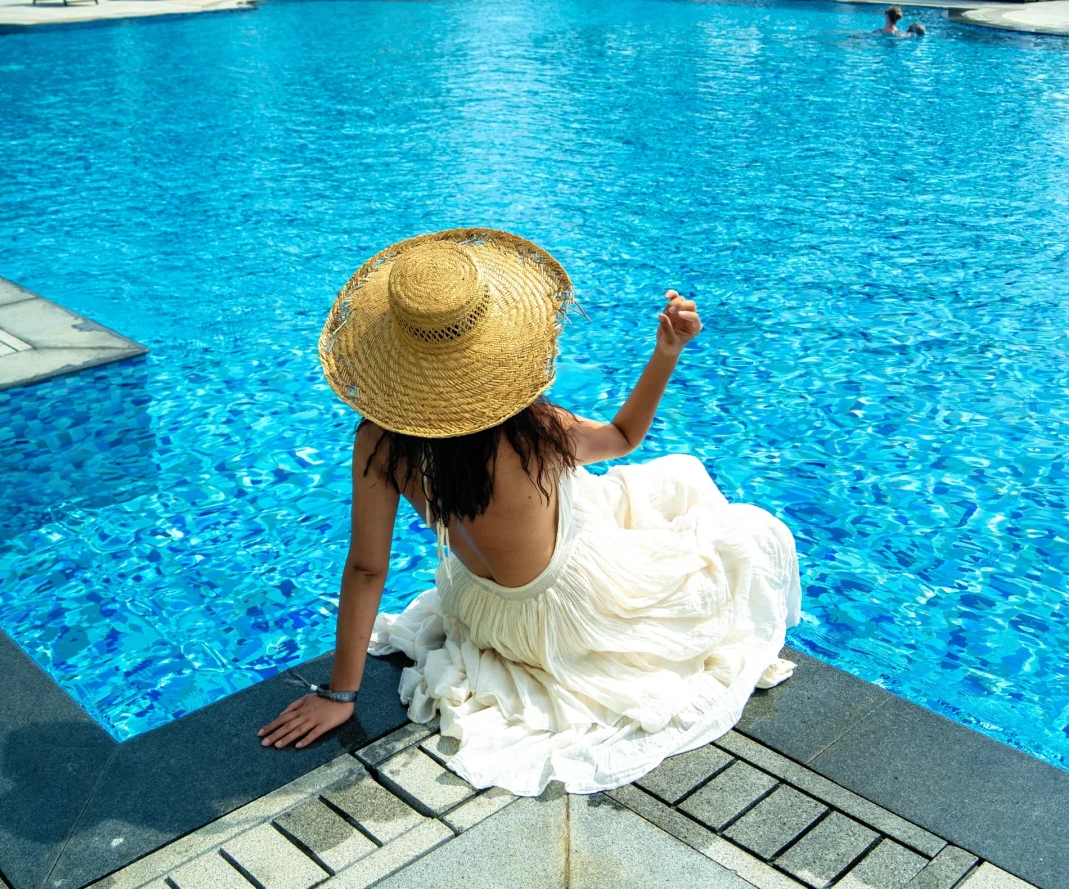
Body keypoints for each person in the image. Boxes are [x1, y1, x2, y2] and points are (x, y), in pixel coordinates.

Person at [258, 230, 801, 797]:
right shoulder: (536, 431)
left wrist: (341, 693)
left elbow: (368, 568)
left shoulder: (378, 442)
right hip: (565, 623)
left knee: (641, 487)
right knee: (743, 528)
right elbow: (623, 436)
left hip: (482, 612)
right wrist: (667, 352)